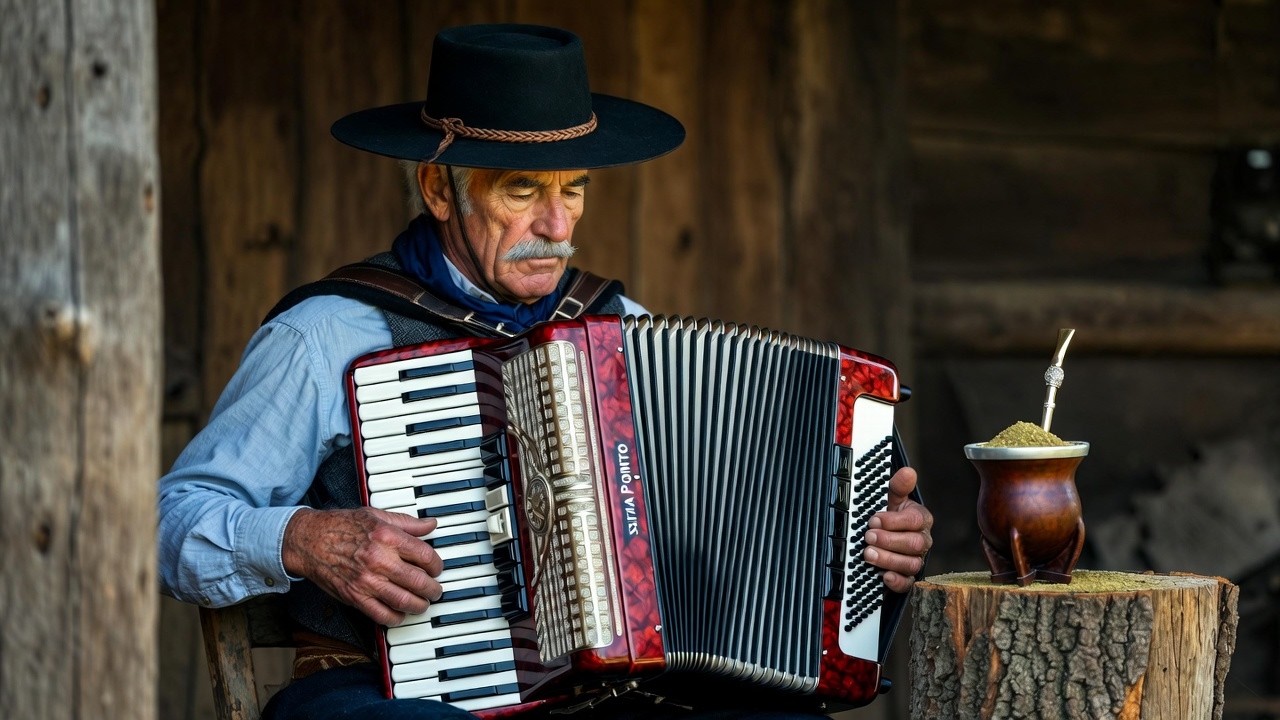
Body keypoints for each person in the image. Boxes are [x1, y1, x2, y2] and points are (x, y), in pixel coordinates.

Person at [157, 23, 933, 720]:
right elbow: (171, 521)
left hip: (614, 692)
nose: (557, 227)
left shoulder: (624, 332)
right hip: (380, 693)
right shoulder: (328, 334)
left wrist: (865, 539)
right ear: (439, 188)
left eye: (574, 190)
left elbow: (754, 525)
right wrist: (302, 538)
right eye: (522, 190)